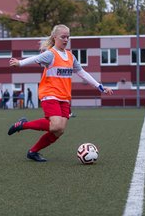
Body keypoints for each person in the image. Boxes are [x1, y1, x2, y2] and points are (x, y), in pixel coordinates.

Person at [8, 24, 113, 162]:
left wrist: (100, 86)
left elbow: (82, 72)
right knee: (56, 125)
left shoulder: (70, 56)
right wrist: (20, 63)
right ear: (55, 37)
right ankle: (23, 125)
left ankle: (33, 152)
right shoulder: (50, 54)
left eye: (68, 37)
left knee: (59, 130)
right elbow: (35, 59)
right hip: (49, 94)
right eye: (63, 37)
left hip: (64, 97)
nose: (66, 40)